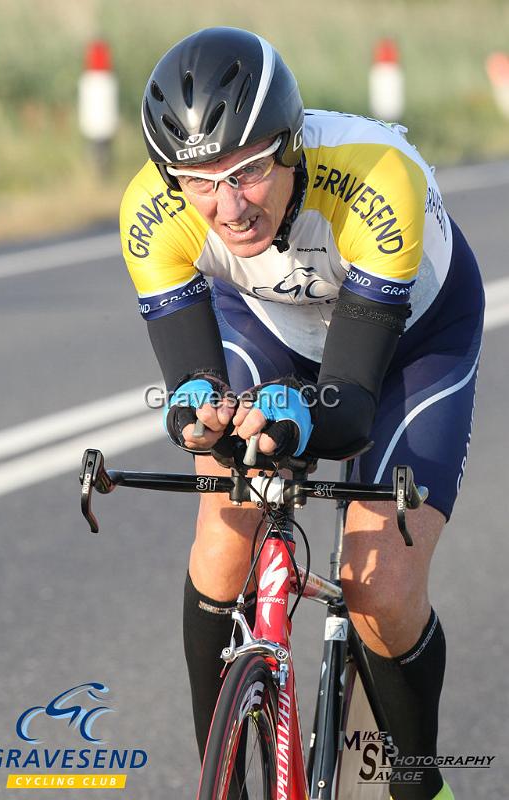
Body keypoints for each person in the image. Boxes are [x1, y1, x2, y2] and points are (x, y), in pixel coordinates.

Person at [120, 27, 483, 800]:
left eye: (248, 172)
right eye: (199, 182)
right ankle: (219, 780)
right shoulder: (151, 211)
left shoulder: (378, 177)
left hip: (414, 336)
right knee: (222, 534)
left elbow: (348, 406)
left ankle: (420, 783)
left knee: (377, 587)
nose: (228, 205)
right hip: (269, 320)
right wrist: (196, 416)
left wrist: (297, 424)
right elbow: (190, 382)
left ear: (288, 147)